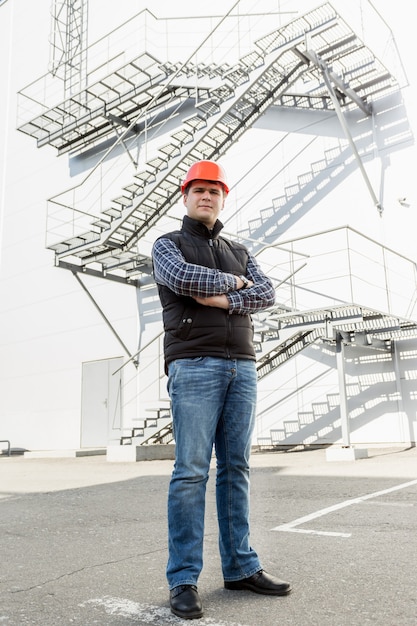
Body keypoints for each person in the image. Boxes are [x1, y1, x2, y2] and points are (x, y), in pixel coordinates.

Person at [152, 160, 291, 620]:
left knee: (237, 467)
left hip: (242, 366)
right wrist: (234, 285)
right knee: (191, 471)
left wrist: (223, 297)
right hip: (194, 365)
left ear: (223, 197)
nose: (206, 196)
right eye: (198, 190)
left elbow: (267, 294)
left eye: (214, 190)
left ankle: (240, 567)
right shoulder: (167, 244)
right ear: (185, 196)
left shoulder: (239, 248)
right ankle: (184, 579)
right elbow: (183, 280)